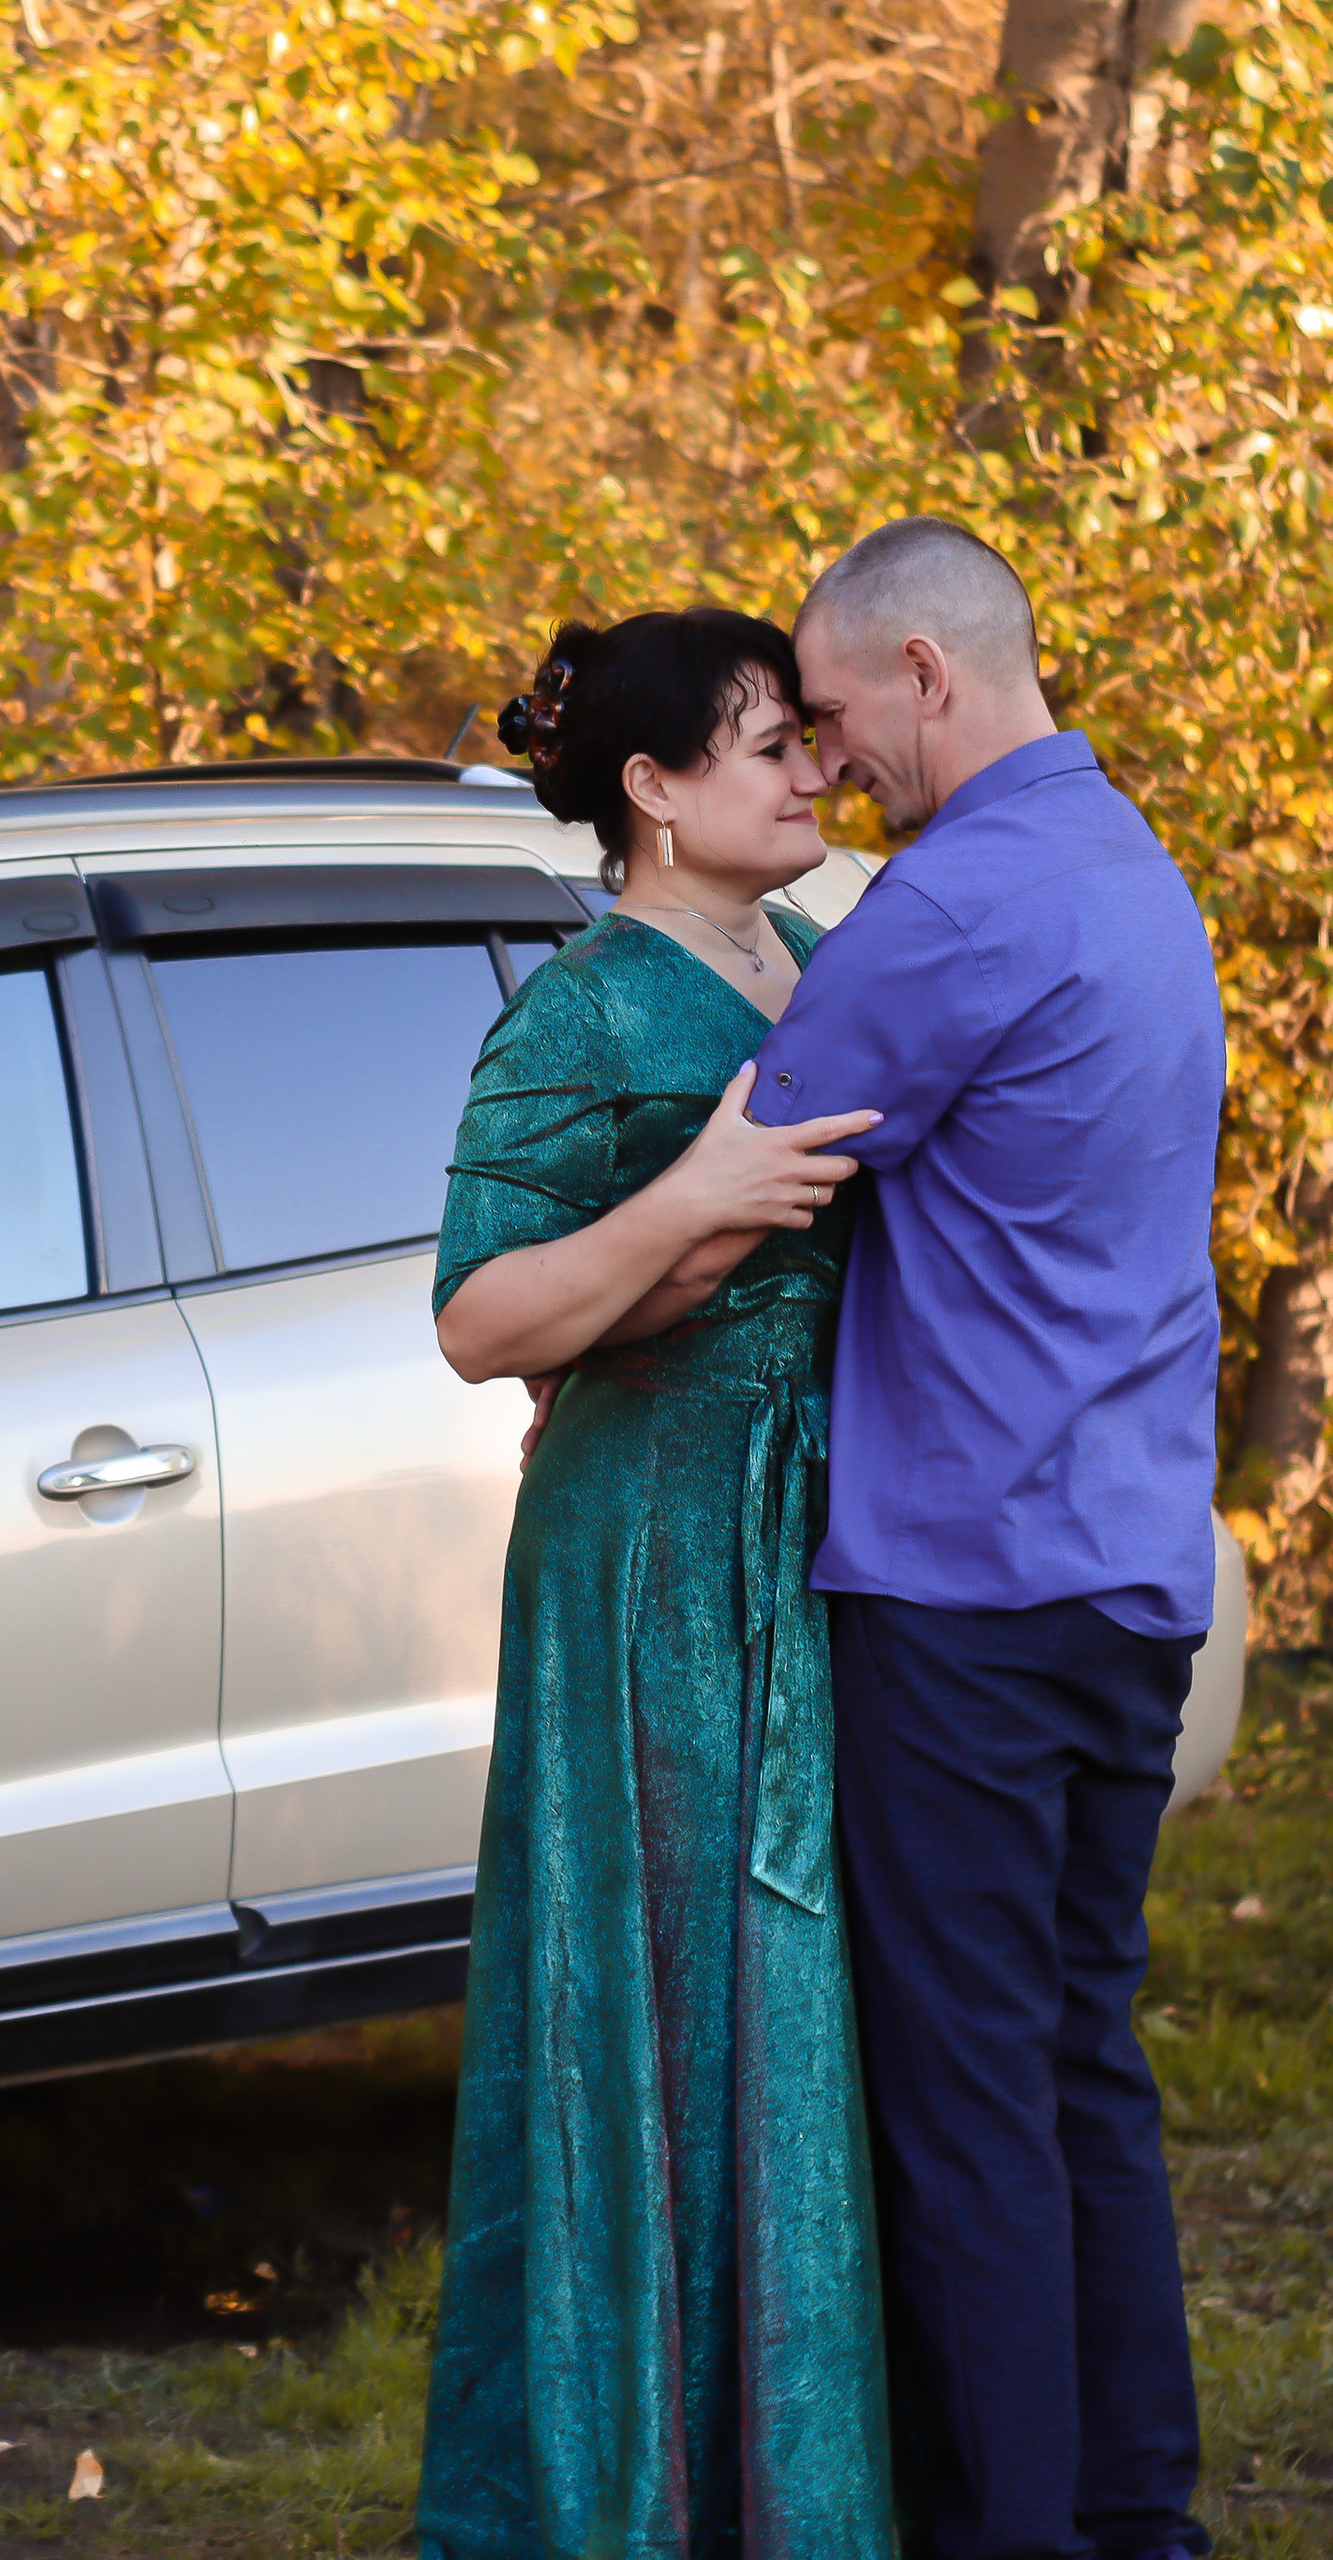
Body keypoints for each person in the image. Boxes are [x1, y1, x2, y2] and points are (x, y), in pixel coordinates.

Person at [747, 517, 1227, 2560]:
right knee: (1071, 2070)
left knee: (961, 2115)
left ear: (925, 670)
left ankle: (1004, 2533)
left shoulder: (949, 906)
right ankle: (1133, 2516)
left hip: (967, 1591)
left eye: (836, 712)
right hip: (1124, 1572)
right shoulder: (1129, 868)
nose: (830, 758)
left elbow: (754, 1145)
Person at [417, 607, 897, 2560]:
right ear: (652, 789)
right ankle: (631, 2500)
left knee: (800, 2017)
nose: (809, 774)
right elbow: (473, 1316)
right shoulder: (581, 1009)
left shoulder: (811, 961)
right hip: (646, 1567)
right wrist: (690, 1203)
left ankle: (800, 2489)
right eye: (765, 744)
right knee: (671, 2005)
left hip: (819, 1542)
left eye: (806, 742)